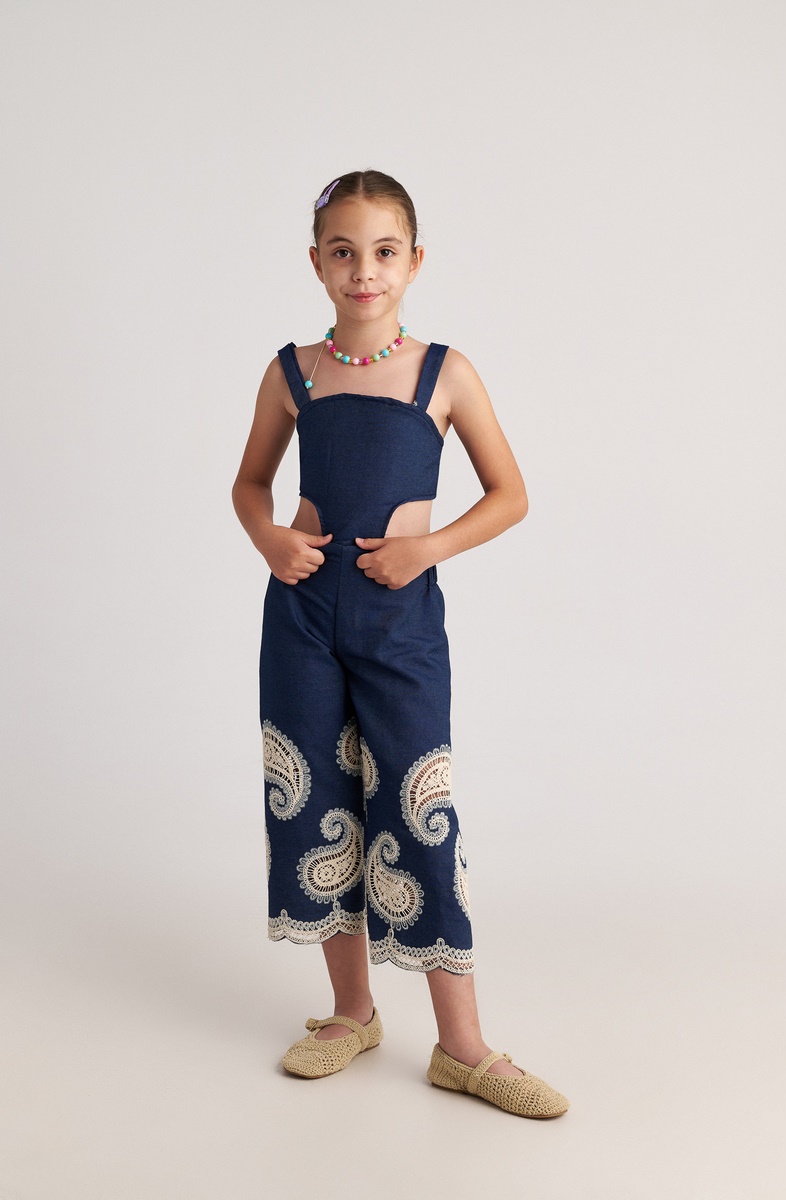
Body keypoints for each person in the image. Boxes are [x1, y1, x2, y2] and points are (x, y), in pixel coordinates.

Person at [232, 170, 568, 1118]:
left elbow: (510, 494)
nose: (363, 270)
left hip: (398, 620)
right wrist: (266, 537)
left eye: (382, 252)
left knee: (420, 809)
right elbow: (250, 484)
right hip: (300, 616)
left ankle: (462, 1047)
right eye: (342, 252)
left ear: (414, 261)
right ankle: (352, 1012)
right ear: (316, 263)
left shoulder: (443, 373)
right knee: (313, 800)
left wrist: (427, 548)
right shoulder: (293, 371)